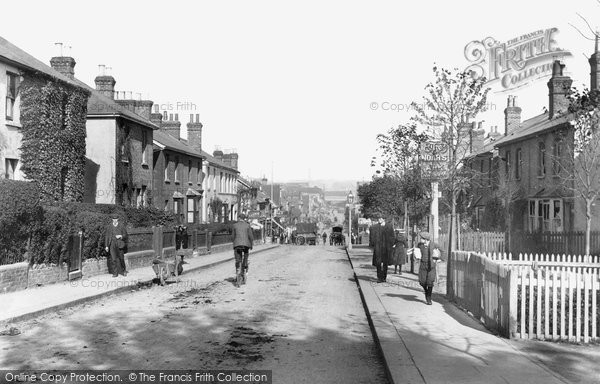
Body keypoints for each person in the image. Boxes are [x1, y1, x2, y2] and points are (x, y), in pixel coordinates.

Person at [417, 232, 441, 305]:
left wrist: (439, 259)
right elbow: (416, 252)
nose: (420, 239)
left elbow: (442, 251)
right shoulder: (419, 245)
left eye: (421, 238)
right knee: (422, 282)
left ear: (426, 239)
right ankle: (426, 292)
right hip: (423, 265)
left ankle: (429, 298)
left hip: (431, 266)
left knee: (430, 282)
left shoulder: (434, 244)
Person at [231, 213, 254, 287]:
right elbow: (251, 236)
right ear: (244, 219)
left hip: (237, 245)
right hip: (246, 245)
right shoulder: (247, 225)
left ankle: (238, 269)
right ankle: (245, 265)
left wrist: (234, 243)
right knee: (246, 256)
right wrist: (251, 245)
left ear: (239, 218)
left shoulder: (235, 225)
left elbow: (232, 237)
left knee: (238, 260)